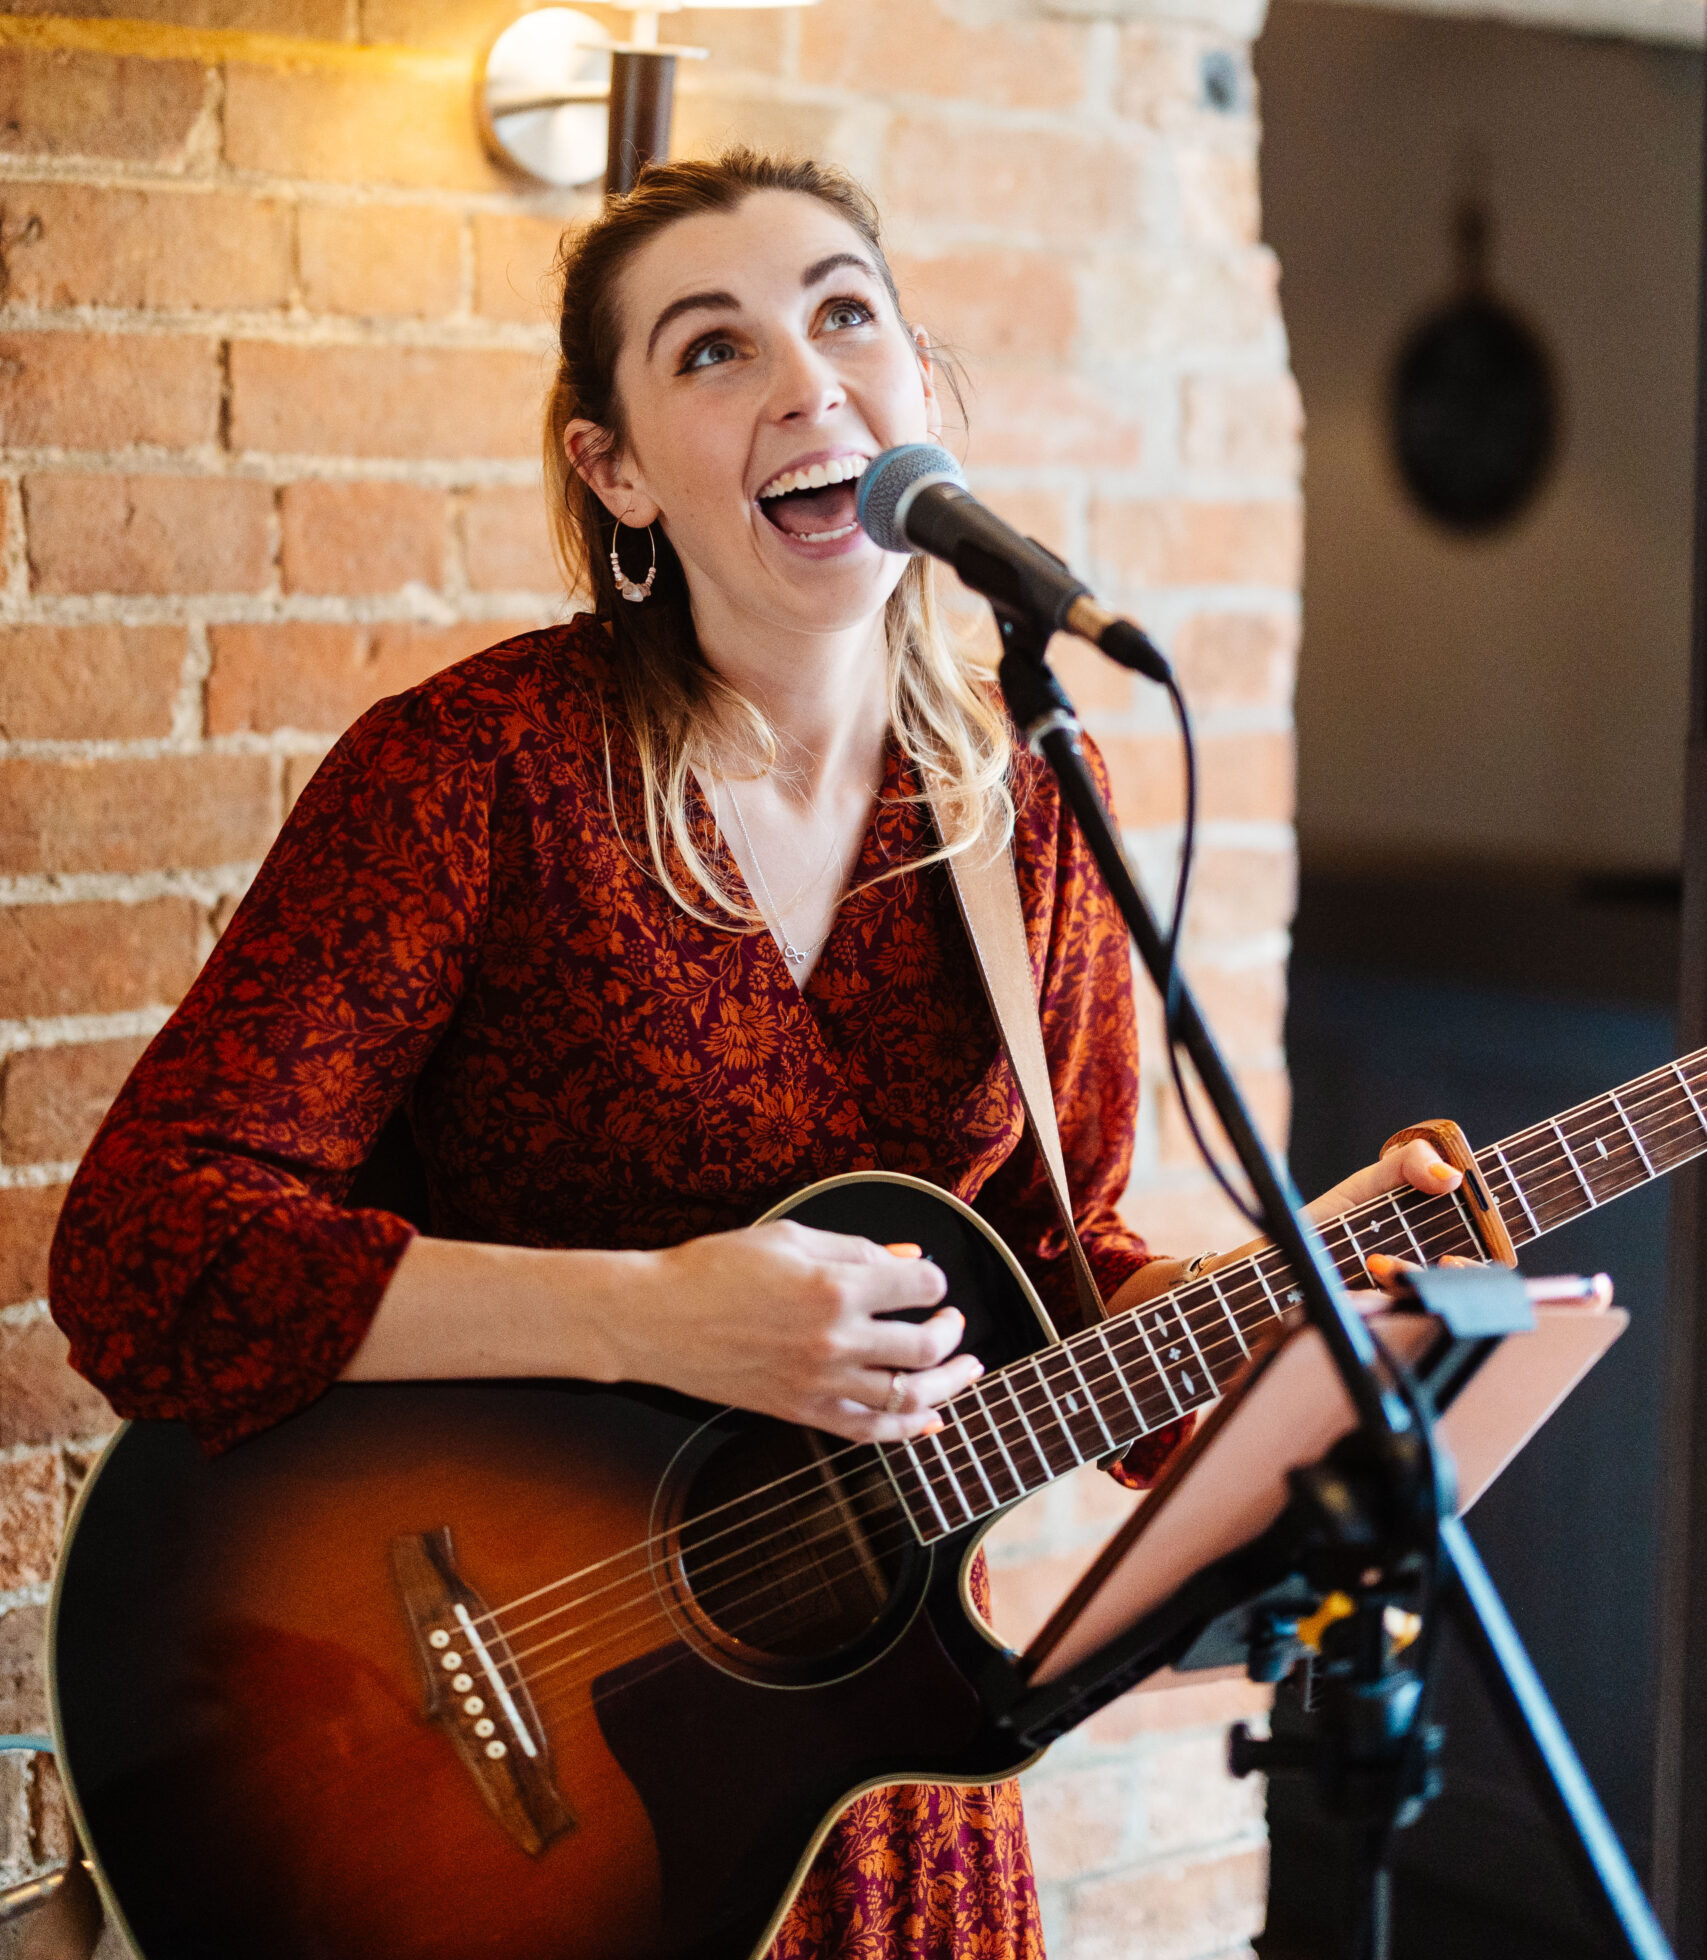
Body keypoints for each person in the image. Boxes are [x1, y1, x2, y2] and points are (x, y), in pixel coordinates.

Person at [49, 150, 1460, 1960]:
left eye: (848, 315)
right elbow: (144, 1251)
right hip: (497, 1825)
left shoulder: (1032, 807)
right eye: (714, 351)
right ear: (614, 469)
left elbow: (1048, 1280)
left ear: (920, 398)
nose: (810, 381)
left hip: (877, 1801)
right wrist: (644, 1315)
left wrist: (1290, 1305)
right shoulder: (470, 774)